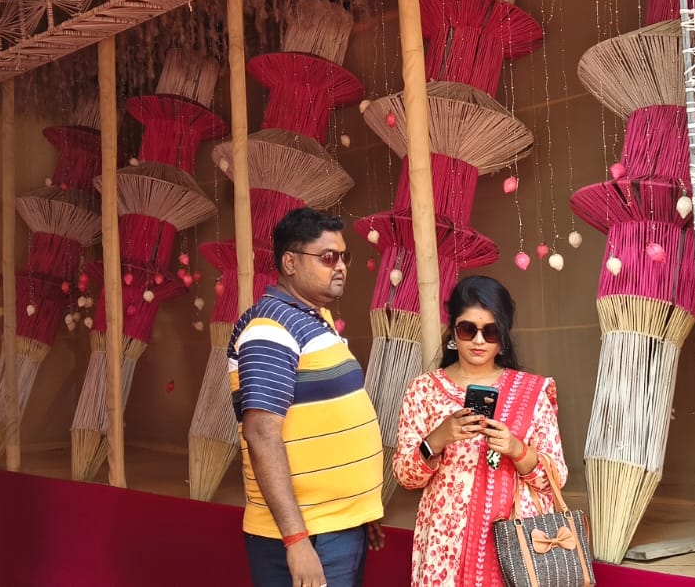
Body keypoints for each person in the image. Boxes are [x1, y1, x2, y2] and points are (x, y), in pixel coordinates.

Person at [229, 208, 384, 587]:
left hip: (336, 524)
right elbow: (261, 434)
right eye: (328, 257)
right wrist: (296, 540)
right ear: (290, 263)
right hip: (307, 532)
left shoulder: (313, 319)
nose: (341, 266)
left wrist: (357, 507)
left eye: (344, 257)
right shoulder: (269, 328)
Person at [393, 276, 568, 587]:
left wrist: (516, 449)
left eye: (490, 331)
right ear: (453, 332)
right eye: (467, 329)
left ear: (503, 336)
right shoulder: (424, 390)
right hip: (446, 548)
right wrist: (438, 439)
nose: (478, 340)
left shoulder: (531, 391)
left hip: (516, 548)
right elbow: (406, 477)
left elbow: (554, 479)